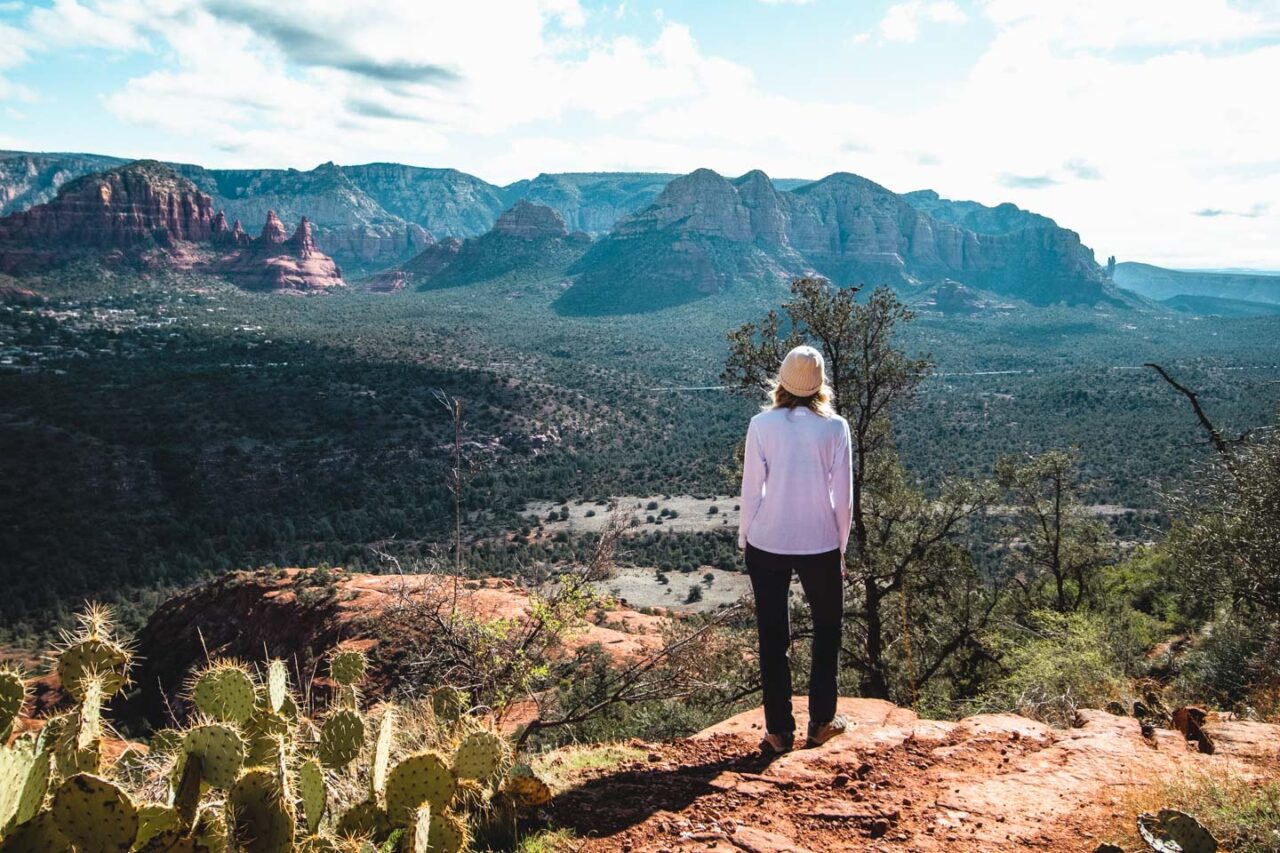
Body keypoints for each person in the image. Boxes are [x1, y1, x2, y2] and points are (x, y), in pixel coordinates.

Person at [738, 344, 853, 753]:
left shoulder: (760, 424)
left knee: (772, 636)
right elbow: (844, 497)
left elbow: (752, 489)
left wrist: (744, 536)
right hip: (820, 541)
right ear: (819, 385)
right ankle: (821, 723)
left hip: (767, 541)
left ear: (781, 381)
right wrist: (840, 547)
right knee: (827, 629)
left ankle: (778, 731)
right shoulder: (835, 428)